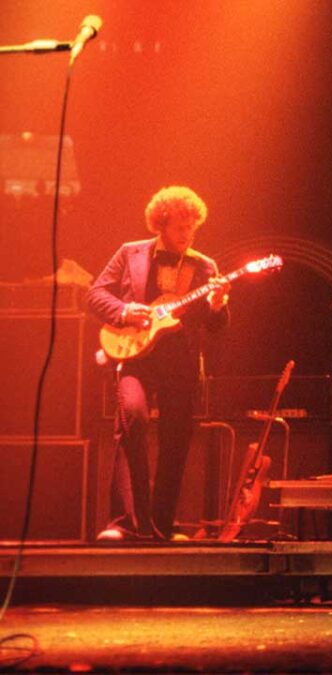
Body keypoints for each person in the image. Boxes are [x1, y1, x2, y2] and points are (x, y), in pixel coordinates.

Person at [86, 186, 231, 542]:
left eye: (192, 227)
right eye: (180, 227)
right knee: (131, 418)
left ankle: (162, 526)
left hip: (180, 362)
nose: (187, 234)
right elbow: (95, 294)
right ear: (161, 225)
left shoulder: (205, 266)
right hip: (135, 358)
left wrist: (216, 304)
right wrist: (123, 311)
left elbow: (215, 327)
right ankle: (124, 523)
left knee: (175, 441)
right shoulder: (130, 253)